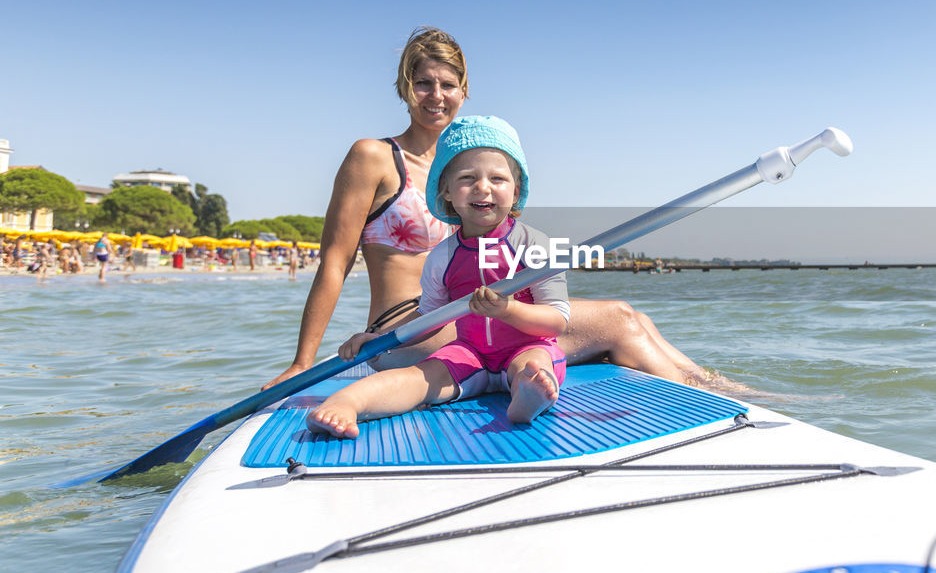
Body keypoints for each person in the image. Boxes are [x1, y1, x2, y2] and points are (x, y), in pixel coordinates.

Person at [265, 27, 729, 392]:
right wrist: (303, 362)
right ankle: (728, 402)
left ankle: (716, 387)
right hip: (409, 329)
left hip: (475, 316)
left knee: (632, 317)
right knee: (619, 320)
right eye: (422, 83)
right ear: (404, 88)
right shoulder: (373, 157)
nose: (436, 96)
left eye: (448, 84)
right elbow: (335, 262)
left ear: (464, 90)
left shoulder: (469, 168)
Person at [306, 117, 566, 436]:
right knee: (420, 376)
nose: (483, 187)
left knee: (536, 365)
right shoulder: (443, 256)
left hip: (528, 346)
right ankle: (348, 402)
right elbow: (428, 318)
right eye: (468, 177)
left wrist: (509, 311)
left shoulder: (533, 245)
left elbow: (556, 321)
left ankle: (529, 396)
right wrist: (379, 340)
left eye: (498, 178)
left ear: (516, 191)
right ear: (446, 190)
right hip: (471, 353)